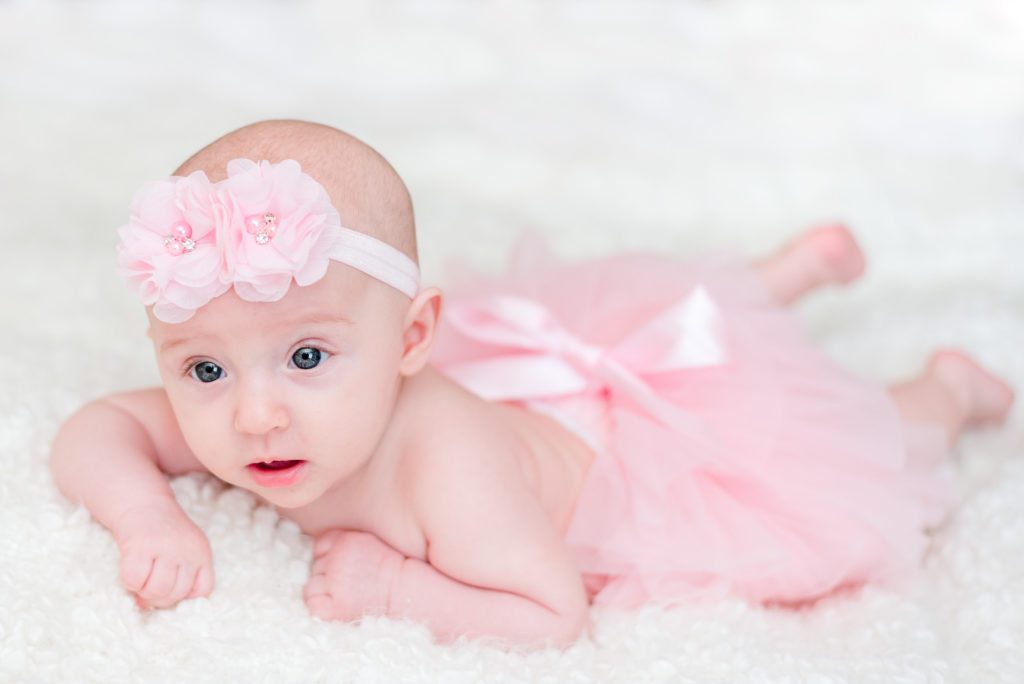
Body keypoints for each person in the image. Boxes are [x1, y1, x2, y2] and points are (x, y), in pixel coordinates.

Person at [49, 119, 1015, 648]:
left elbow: (553, 614)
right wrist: (149, 520)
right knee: (650, 333)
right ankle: (776, 280)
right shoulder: (249, 421)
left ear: (412, 338)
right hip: (542, 399)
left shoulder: (445, 471)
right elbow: (95, 430)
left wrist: (399, 587)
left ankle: (945, 387)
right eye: (204, 368)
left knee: (855, 443)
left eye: (307, 358)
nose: (257, 414)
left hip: (631, 471)